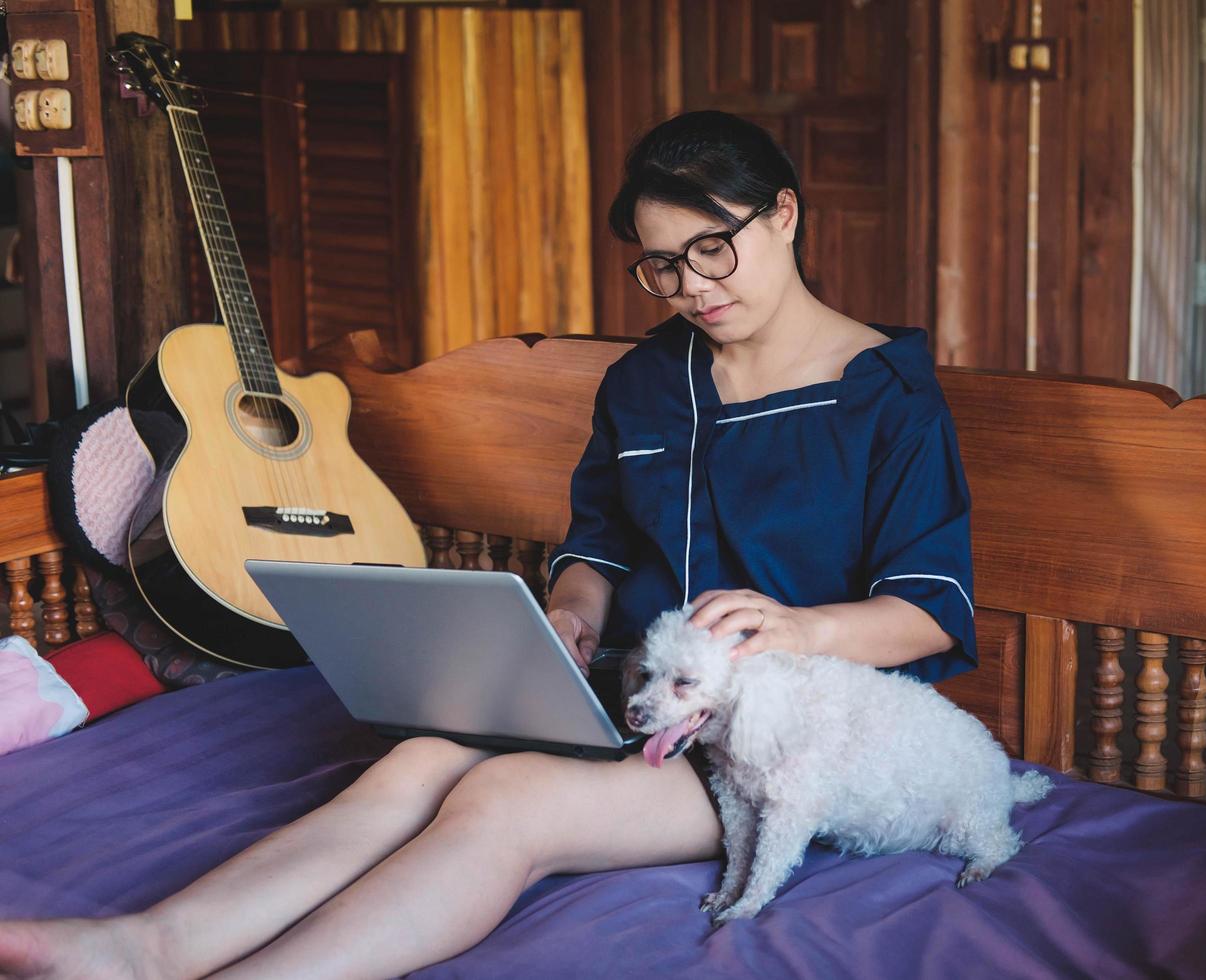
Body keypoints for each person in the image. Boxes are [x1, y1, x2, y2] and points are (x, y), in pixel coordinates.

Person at [0, 109, 976, 979]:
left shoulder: (885, 396)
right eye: (662, 264)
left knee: (507, 796)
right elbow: (600, 541)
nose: (691, 286)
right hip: (637, 694)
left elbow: (925, 613)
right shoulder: (645, 379)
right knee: (419, 757)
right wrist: (569, 614)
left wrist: (794, 626)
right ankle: (148, 946)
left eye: (714, 248)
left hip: (789, 738)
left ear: (784, 215)